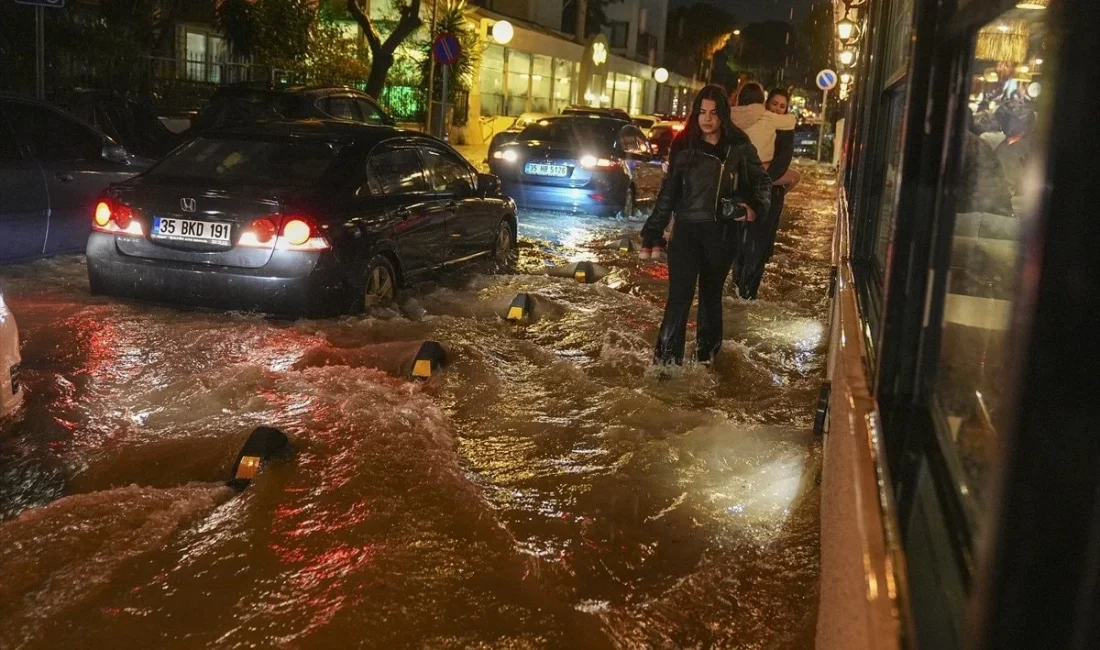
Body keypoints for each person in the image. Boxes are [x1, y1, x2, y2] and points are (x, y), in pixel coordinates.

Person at [641, 85, 772, 367]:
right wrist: (653, 230)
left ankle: (706, 362)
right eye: (701, 112)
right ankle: (665, 367)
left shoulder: (738, 145)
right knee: (679, 297)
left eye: (713, 112)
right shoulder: (683, 144)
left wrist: (751, 209)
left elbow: (761, 181)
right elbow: (669, 192)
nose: (707, 118)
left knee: (711, 295)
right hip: (686, 232)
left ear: (723, 114)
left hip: (722, 234)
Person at [731, 87, 797, 300]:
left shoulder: (781, 131)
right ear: (766, 104)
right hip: (754, 189)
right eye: (774, 104)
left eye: (782, 106)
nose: (778, 109)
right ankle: (743, 294)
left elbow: (781, 163)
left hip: (763, 190)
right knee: (745, 243)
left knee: (756, 245)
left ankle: (745, 292)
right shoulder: (762, 121)